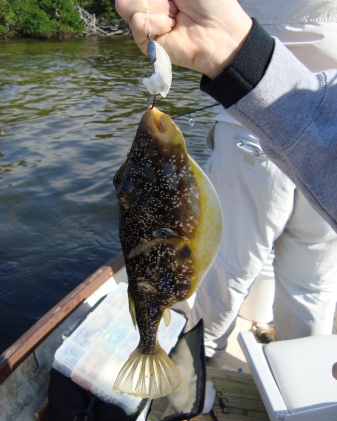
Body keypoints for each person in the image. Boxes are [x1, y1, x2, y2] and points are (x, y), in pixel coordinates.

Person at [116, 0, 337, 353]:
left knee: (230, 267)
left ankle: (200, 360)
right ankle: (302, 370)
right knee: (313, 283)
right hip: (318, 122)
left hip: (254, 121)